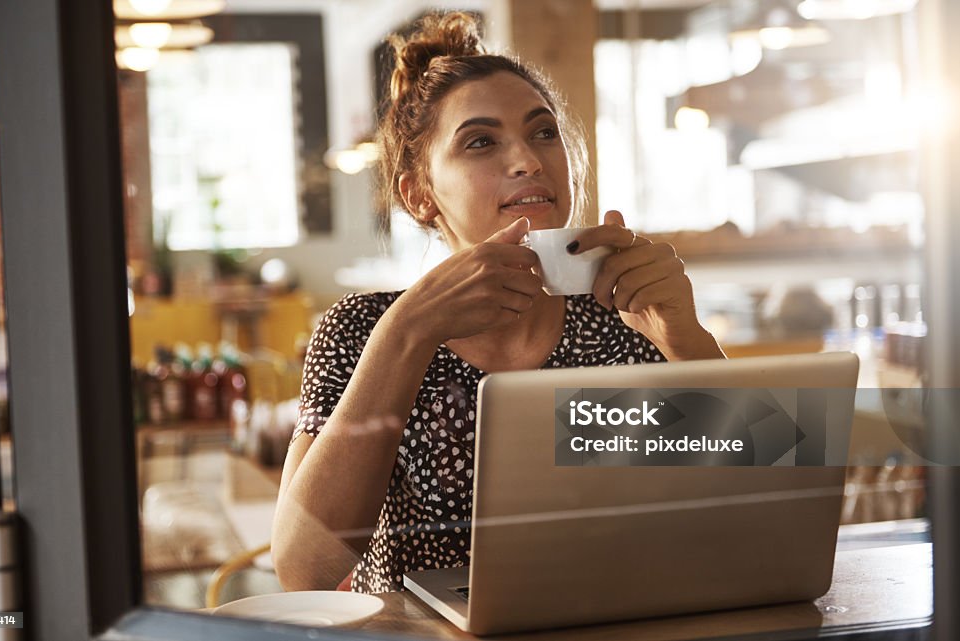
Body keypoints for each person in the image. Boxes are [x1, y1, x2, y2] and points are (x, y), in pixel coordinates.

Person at [271, 11, 725, 594]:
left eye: (543, 132)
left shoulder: (627, 317)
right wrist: (405, 332)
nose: (530, 160)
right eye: (480, 142)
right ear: (419, 195)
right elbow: (304, 570)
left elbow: (769, 504)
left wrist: (685, 340)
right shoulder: (363, 328)